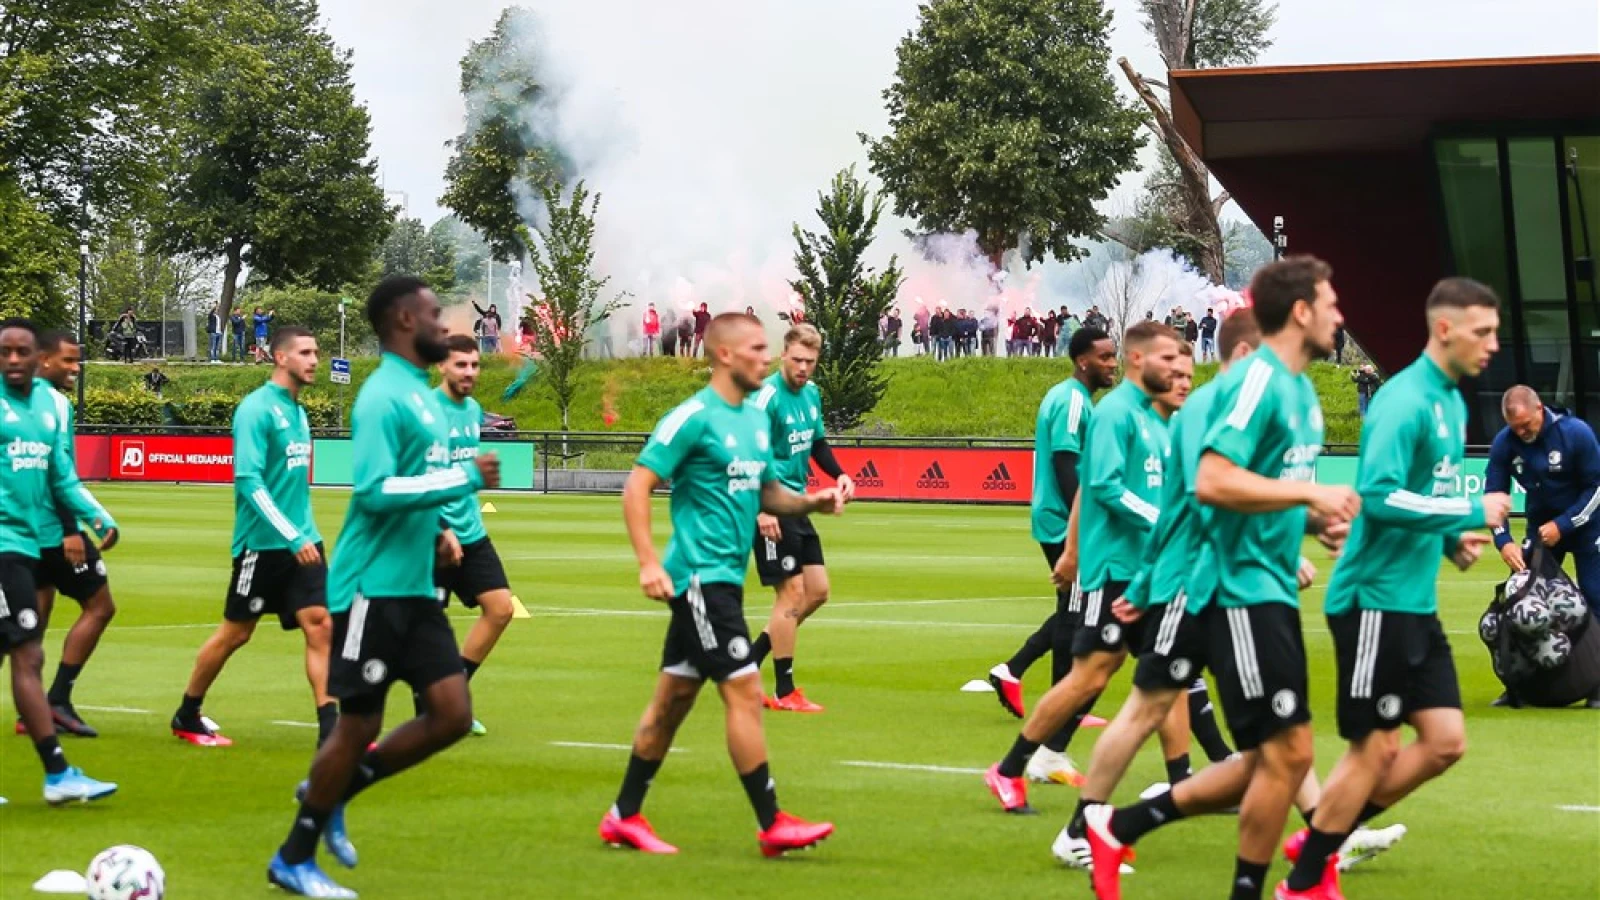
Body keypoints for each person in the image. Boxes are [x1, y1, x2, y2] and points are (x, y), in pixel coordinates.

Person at [1080, 256, 1361, 900]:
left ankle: (1122, 826)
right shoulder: (1257, 383)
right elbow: (1211, 482)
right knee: (1282, 755)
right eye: (1331, 302)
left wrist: (1314, 521)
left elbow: (1265, 490)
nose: (1339, 315)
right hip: (1235, 590)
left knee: (1281, 756)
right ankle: (1297, 880)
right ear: (1299, 311)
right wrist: (1308, 500)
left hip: (1263, 585)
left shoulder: (1301, 392)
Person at [268, 277, 500, 897]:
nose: (444, 321)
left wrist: (435, 535)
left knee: (451, 715)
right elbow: (371, 492)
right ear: (403, 320)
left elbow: (410, 485)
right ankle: (295, 855)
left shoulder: (420, 395)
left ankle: (337, 788)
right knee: (356, 727)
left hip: (416, 587)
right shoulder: (380, 398)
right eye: (432, 313)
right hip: (370, 591)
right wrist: (460, 480)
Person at [1278, 278, 1510, 899]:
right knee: (1376, 748)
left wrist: (1446, 542)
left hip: (1414, 601)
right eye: (1482, 331)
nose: (1493, 344)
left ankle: (1322, 837)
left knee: (1443, 743)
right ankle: (1306, 879)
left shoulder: (1451, 402)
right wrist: (1467, 517)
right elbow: (1377, 497)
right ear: (1444, 329)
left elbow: (1423, 497)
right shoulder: (1404, 400)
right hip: (1372, 600)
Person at [597, 312, 841, 857]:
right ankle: (772, 821)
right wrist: (647, 562)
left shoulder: (755, 421)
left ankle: (623, 815)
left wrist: (811, 502)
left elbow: (769, 493)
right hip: (698, 579)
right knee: (746, 692)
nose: (767, 356)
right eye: (757, 347)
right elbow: (637, 486)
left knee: (672, 702)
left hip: (726, 581)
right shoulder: (692, 418)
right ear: (726, 354)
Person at [1063, 312, 1261, 874]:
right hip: (1179, 581)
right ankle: (1030, 768)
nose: (1181, 373)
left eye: (1185, 364)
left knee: (1157, 700)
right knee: (1101, 680)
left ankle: (1321, 839)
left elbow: (1184, 503)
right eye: (1172, 362)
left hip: (1201, 580)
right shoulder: (1127, 414)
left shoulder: (1178, 416)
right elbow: (1152, 498)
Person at [984, 321, 1180, 826]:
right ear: (1140, 360)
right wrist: (1082, 546)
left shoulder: (1155, 418)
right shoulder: (1111, 412)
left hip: (1149, 570)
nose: (1179, 370)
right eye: (1168, 361)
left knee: (1168, 676)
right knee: (1092, 674)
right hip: (1115, 566)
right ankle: (1015, 766)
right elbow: (1104, 488)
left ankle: (1183, 781)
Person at [172, 327, 334, 749]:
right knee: (236, 634)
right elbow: (248, 479)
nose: (314, 359)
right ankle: (187, 713)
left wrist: (304, 536)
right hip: (261, 547)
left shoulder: (299, 412)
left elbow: (294, 487)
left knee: (321, 626)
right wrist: (289, 535)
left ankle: (333, 734)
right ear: (280, 358)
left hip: (305, 542)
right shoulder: (255, 410)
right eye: (305, 352)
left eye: (316, 351)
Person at [0, 317, 120, 806]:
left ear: (36, 357)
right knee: (28, 653)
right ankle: (58, 772)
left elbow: (61, 477)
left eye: (20, 352)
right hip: (3, 546)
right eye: (3, 352)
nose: (12, 360)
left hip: (27, 545)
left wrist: (96, 517)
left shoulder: (50, 408)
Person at [986, 327, 1117, 769]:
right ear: (1083, 361)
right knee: (1075, 611)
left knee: (1070, 607)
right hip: (1063, 520)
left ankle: (1021, 674)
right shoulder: (1074, 401)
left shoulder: (1070, 396)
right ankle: (1060, 706)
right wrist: (1083, 527)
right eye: (1105, 356)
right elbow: (1066, 464)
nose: (1112, 363)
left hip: (1060, 518)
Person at [747, 325, 855, 712]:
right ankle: (783, 690)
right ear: (783, 356)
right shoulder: (768, 397)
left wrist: (838, 473)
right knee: (790, 595)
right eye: (797, 360)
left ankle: (748, 660)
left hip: (798, 503)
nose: (804, 368)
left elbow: (818, 443)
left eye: (810, 362)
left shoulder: (811, 395)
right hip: (772, 504)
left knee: (818, 591)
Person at [26, 332, 120, 738]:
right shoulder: (55, 406)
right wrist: (79, 527)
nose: (75, 368)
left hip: (20, 533)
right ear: (43, 359)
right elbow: (58, 473)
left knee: (35, 624)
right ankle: (57, 701)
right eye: (69, 361)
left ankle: (32, 711)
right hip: (51, 531)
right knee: (100, 606)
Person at [1486, 385, 1600, 696]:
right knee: (1518, 600)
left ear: (1539, 410)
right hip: (1540, 530)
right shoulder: (1505, 443)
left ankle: (1597, 685)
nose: (1522, 432)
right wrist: (1504, 540)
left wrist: (1564, 525)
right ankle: (1517, 684)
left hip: (1587, 526)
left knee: (1594, 594)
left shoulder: (1576, 433)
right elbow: (1493, 494)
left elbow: (1597, 488)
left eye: (1526, 425)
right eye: (1515, 427)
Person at [428, 334, 516, 736]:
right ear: (442, 366)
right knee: (426, 627)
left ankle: (452, 700)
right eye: (460, 364)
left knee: (501, 608)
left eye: (474, 365)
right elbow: (422, 476)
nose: (469, 372)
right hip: (432, 534)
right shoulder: (428, 412)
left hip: (472, 531)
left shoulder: (474, 410)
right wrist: (442, 529)